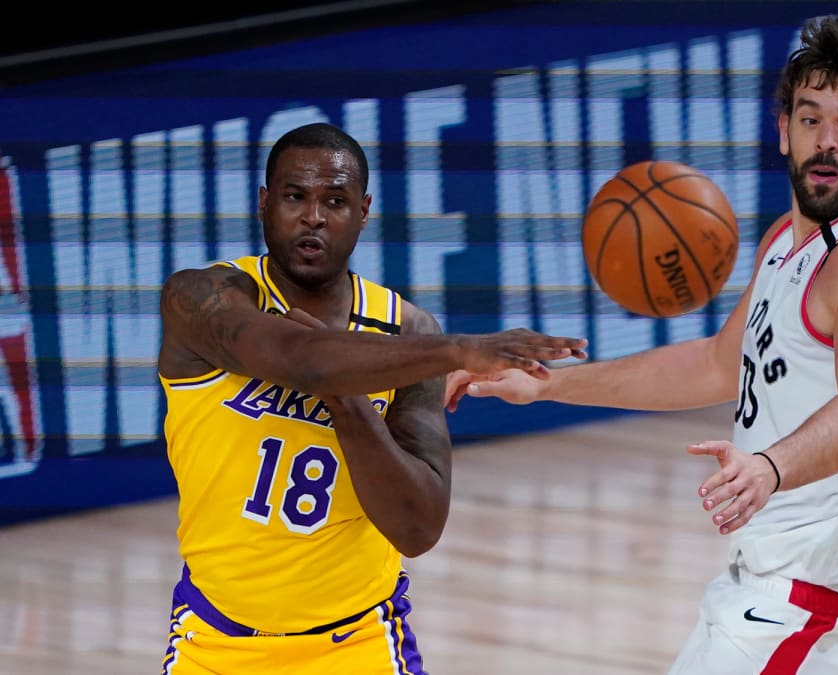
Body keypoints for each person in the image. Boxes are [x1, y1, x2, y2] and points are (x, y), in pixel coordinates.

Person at [447, 15, 838, 675]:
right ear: (783, 132)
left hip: (817, 619)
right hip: (779, 602)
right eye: (810, 118)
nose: (827, 142)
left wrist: (770, 465)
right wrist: (548, 384)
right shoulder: (787, 243)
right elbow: (717, 363)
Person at [156, 121, 586, 674]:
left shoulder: (408, 331)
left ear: (363, 211)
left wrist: (352, 404)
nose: (313, 216)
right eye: (294, 197)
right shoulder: (200, 297)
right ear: (264, 203)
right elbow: (300, 358)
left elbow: (418, 528)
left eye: (334, 201)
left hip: (359, 646)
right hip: (215, 645)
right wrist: (457, 349)